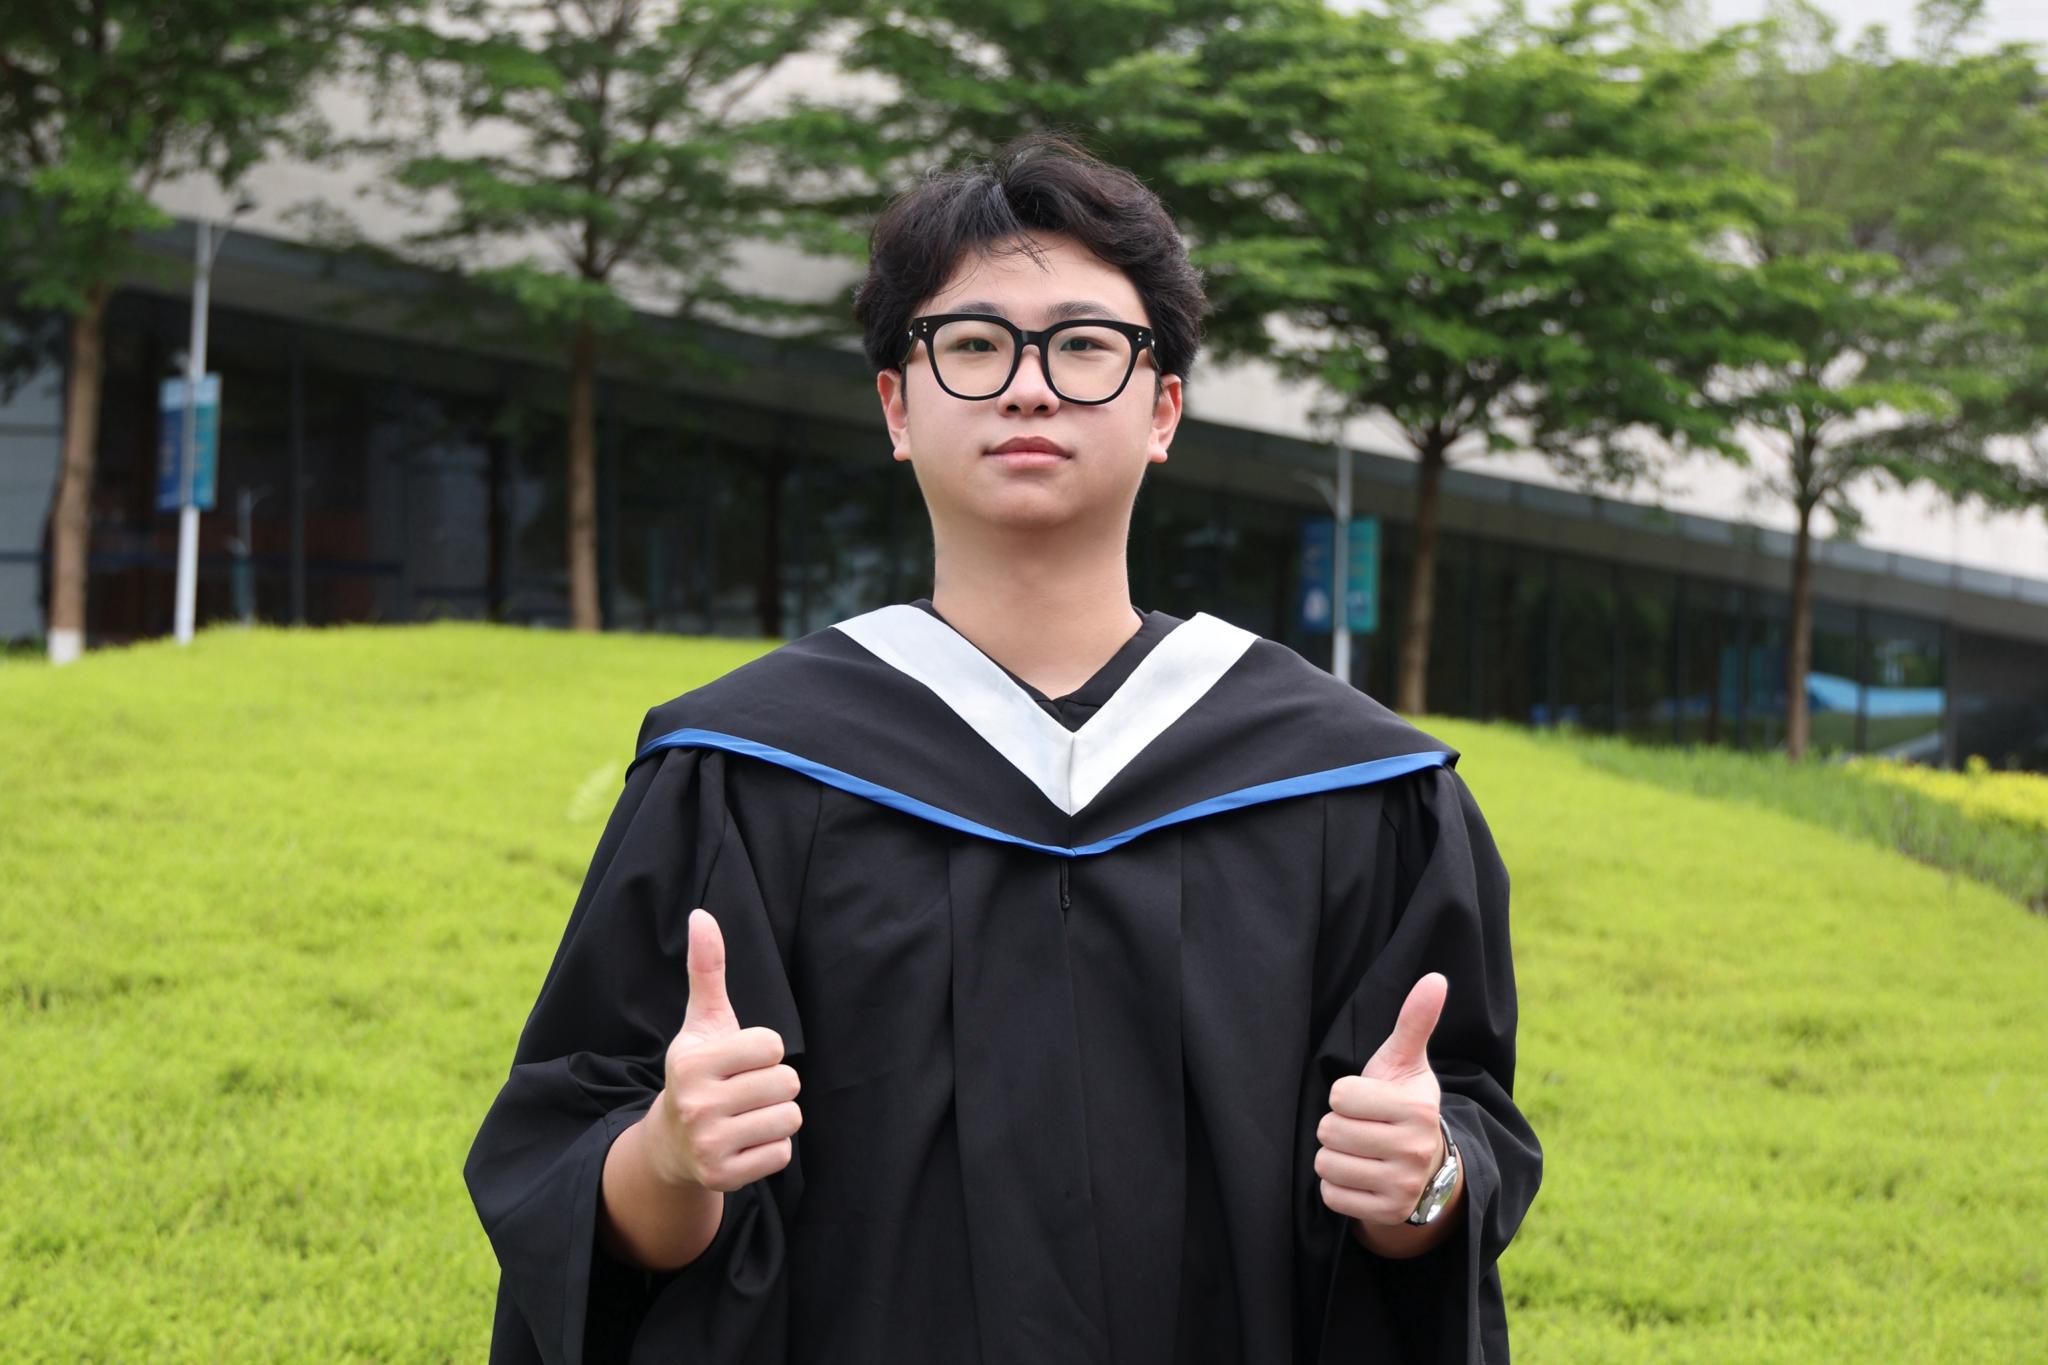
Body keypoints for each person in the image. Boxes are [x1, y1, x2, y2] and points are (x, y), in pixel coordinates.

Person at [464, 132, 1542, 1365]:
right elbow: (585, 1187)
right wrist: (666, 1157)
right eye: (973, 345)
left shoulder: (1356, 792)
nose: (1029, 388)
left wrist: (1422, 1181)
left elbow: (1443, 1182)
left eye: (1084, 345)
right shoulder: (740, 775)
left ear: (1162, 409)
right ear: (896, 406)